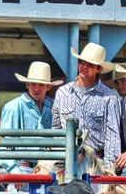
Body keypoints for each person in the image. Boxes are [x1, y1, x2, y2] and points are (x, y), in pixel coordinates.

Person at [0, 61, 63, 194]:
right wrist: (15, 172)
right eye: (33, 84)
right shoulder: (13, 108)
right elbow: (4, 146)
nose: (36, 88)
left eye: (41, 84)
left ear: (48, 87)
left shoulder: (52, 106)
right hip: (22, 168)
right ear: (27, 85)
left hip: (48, 168)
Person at [52, 42, 121, 171]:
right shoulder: (62, 93)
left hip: (96, 164)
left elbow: (112, 137)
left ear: (99, 69)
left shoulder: (110, 97)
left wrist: (110, 170)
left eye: (90, 64)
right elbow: (56, 129)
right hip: (67, 161)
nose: (84, 66)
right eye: (82, 62)